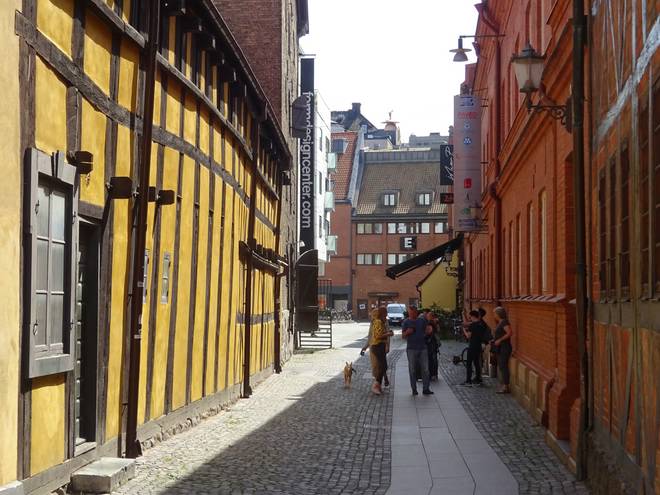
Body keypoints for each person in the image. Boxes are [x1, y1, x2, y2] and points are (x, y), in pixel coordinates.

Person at [402, 306, 433, 396]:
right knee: (412, 370)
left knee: (425, 369)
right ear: (409, 313)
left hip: (423, 348)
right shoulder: (406, 322)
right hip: (411, 349)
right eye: (410, 313)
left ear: (416, 312)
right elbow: (403, 336)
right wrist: (407, 332)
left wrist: (429, 331)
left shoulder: (421, 321)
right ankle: (414, 389)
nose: (412, 314)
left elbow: (427, 330)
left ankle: (426, 388)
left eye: (414, 312)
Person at [361, 308, 391, 386]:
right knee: (375, 365)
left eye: (373, 315)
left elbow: (387, 335)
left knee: (381, 364)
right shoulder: (373, 323)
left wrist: (387, 346)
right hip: (373, 346)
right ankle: (378, 381)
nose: (372, 316)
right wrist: (365, 347)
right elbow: (370, 336)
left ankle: (379, 381)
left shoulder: (384, 322)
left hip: (381, 346)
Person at [368, 307, 393, 395]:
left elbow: (380, 333)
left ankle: (378, 385)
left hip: (380, 346)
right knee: (382, 366)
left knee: (383, 366)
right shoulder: (378, 322)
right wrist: (389, 334)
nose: (387, 314)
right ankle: (375, 385)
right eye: (385, 312)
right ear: (382, 313)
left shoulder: (381, 322)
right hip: (377, 346)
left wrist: (387, 334)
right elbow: (377, 336)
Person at [492, 306, 513, 394]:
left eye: (495, 314)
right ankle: (504, 385)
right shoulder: (500, 322)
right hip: (500, 347)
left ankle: (506, 386)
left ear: (498, 314)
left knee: (503, 366)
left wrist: (500, 340)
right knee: (501, 366)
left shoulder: (504, 322)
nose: (494, 315)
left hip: (505, 347)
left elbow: (509, 333)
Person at [462, 310, 485, 387]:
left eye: (470, 317)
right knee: (476, 363)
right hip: (478, 345)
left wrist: (464, 331)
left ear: (473, 316)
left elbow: (468, 336)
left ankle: (468, 380)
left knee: (469, 363)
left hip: (472, 346)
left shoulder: (472, 325)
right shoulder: (481, 324)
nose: (470, 318)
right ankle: (478, 379)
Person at [424, 309, 440, 381]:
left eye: (428, 316)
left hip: (431, 344)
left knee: (431, 359)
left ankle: (432, 374)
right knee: (433, 359)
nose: (427, 317)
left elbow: (429, 332)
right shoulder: (435, 323)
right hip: (433, 344)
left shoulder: (430, 323)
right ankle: (434, 374)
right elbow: (438, 331)